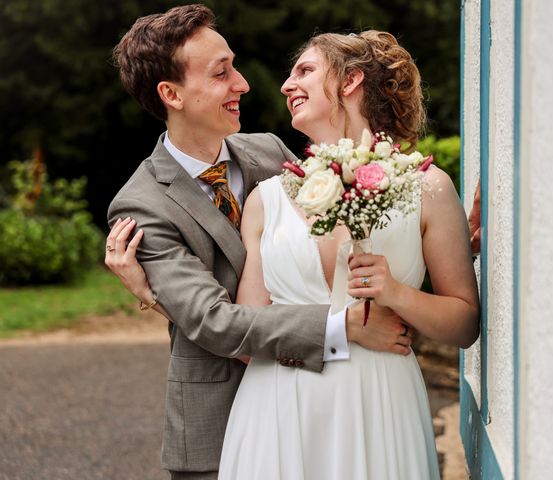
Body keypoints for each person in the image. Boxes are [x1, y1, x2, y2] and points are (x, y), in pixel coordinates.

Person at [108, 27, 479, 479]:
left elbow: (448, 300)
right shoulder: (145, 203)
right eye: (222, 72)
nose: (246, 83)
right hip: (261, 402)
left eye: (303, 70)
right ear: (172, 94)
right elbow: (218, 320)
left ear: (351, 81)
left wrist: (452, 241)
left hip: (380, 399)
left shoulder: (267, 155)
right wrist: (154, 295)